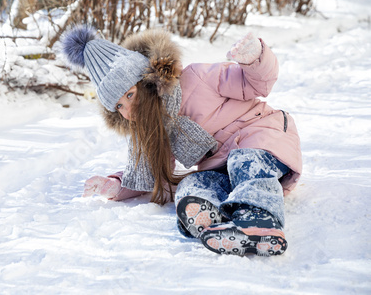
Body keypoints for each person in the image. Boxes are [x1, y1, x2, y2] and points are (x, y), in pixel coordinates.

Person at [61, 25, 302, 257]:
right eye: (118, 106)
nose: (127, 110)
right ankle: (210, 220)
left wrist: (254, 58)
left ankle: (258, 220)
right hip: (221, 165)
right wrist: (116, 185)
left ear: (146, 82)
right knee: (192, 183)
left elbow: (255, 83)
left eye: (130, 95)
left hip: (263, 137)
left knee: (246, 162)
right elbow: (156, 176)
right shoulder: (155, 127)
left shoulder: (197, 77)